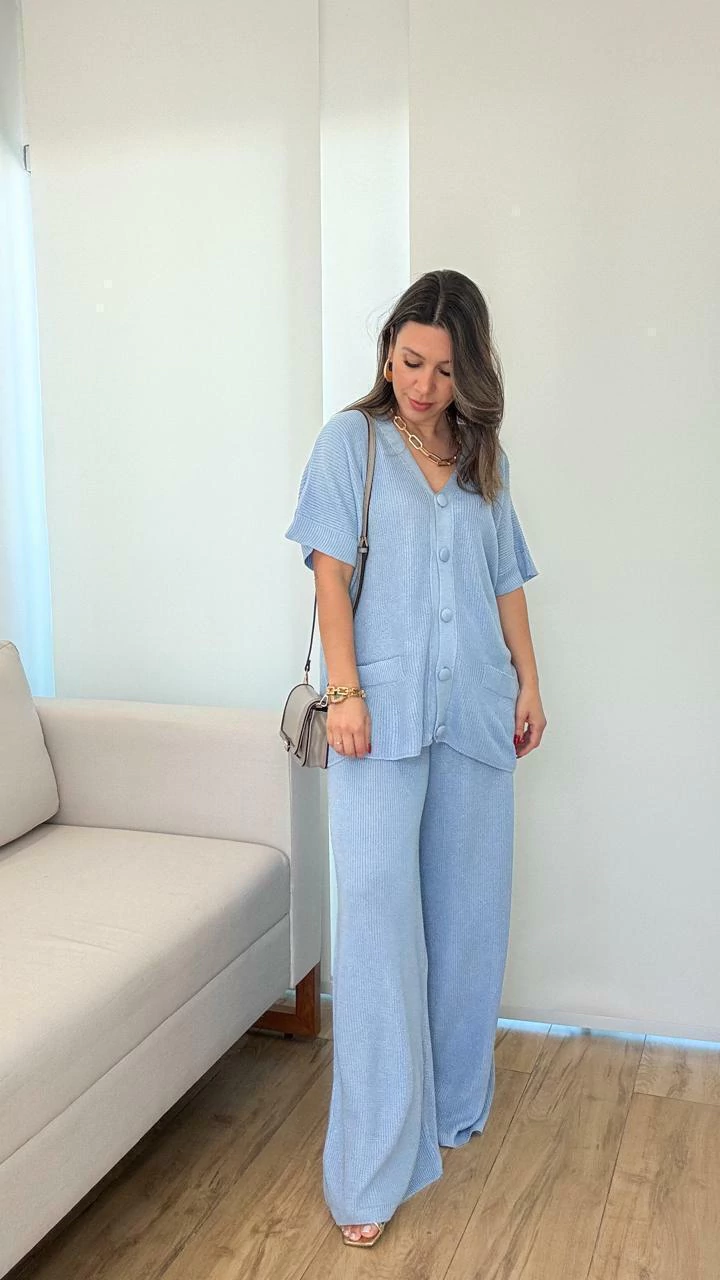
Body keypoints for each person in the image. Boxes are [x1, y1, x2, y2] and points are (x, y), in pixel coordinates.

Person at [284, 268, 547, 1247]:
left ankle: (449, 1104)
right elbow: (330, 577)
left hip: (476, 708)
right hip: (379, 716)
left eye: (443, 369)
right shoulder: (349, 443)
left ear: (470, 371)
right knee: (378, 930)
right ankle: (369, 1167)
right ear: (387, 351)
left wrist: (528, 681)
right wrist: (344, 693)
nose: (424, 385)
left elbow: (506, 577)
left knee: (470, 921)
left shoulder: (481, 456)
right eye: (409, 361)